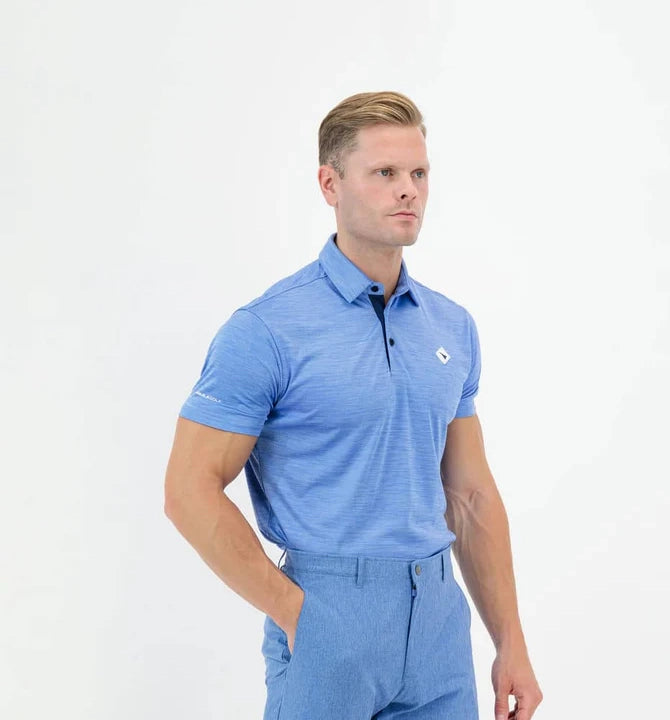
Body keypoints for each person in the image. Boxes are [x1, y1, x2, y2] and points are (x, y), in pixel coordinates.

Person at [164, 90, 542, 720]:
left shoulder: (451, 326)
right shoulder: (266, 329)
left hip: (439, 628)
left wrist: (511, 643)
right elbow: (187, 488)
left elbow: (471, 495)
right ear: (329, 184)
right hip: (328, 614)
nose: (408, 190)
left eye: (419, 173)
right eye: (385, 173)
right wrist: (296, 612)